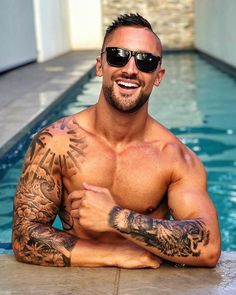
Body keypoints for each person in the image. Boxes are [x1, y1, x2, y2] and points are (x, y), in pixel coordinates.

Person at [12, 13, 221, 268]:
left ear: (158, 76)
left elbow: (209, 247)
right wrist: (114, 255)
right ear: (100, 65)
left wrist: (115, 217)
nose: (130, 70)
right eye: (118, 56)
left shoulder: (174, 158)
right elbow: (23, 237)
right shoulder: (56, 142)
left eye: (146, 62)